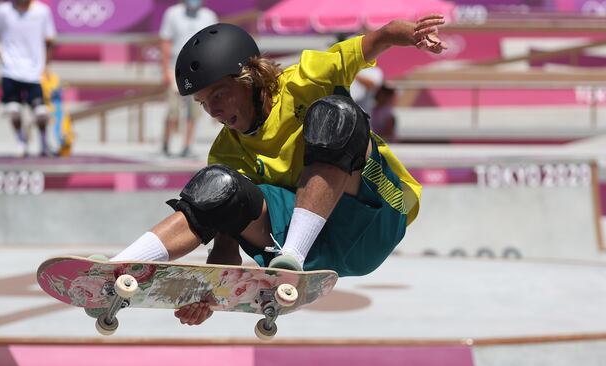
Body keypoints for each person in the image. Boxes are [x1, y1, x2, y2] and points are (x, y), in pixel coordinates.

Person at [110, 16, 447, 325]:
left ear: (249, 77)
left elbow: (380, 38)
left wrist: (412, 35)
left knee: (335, 113)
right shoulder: (227, 150)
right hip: (315, 250)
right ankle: (120, 264)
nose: (212, 110)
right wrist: (208, 295)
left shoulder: (307, 78)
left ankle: (292, 258)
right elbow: (225, 249)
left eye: (219, 95)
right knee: (218, 185)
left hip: (374, 221)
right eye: (203, 103)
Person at [0, 0, 56, 157]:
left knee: (41, 113)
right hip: (10, 71)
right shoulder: (3, 11)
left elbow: (50, 40)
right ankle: (21, 142)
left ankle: (43, 144)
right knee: (13, 110)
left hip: (34, 72)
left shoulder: (42, 11)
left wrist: (46, 66)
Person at [159, 0, 218, 158]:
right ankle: (166, 143)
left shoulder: (208, 16)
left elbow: (212, 44)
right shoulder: (172, 13)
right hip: (175, 68)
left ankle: (186, 145)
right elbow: (166, 42)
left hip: (198, 71)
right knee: (173, 111)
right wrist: (165, 70)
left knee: (193, 111)